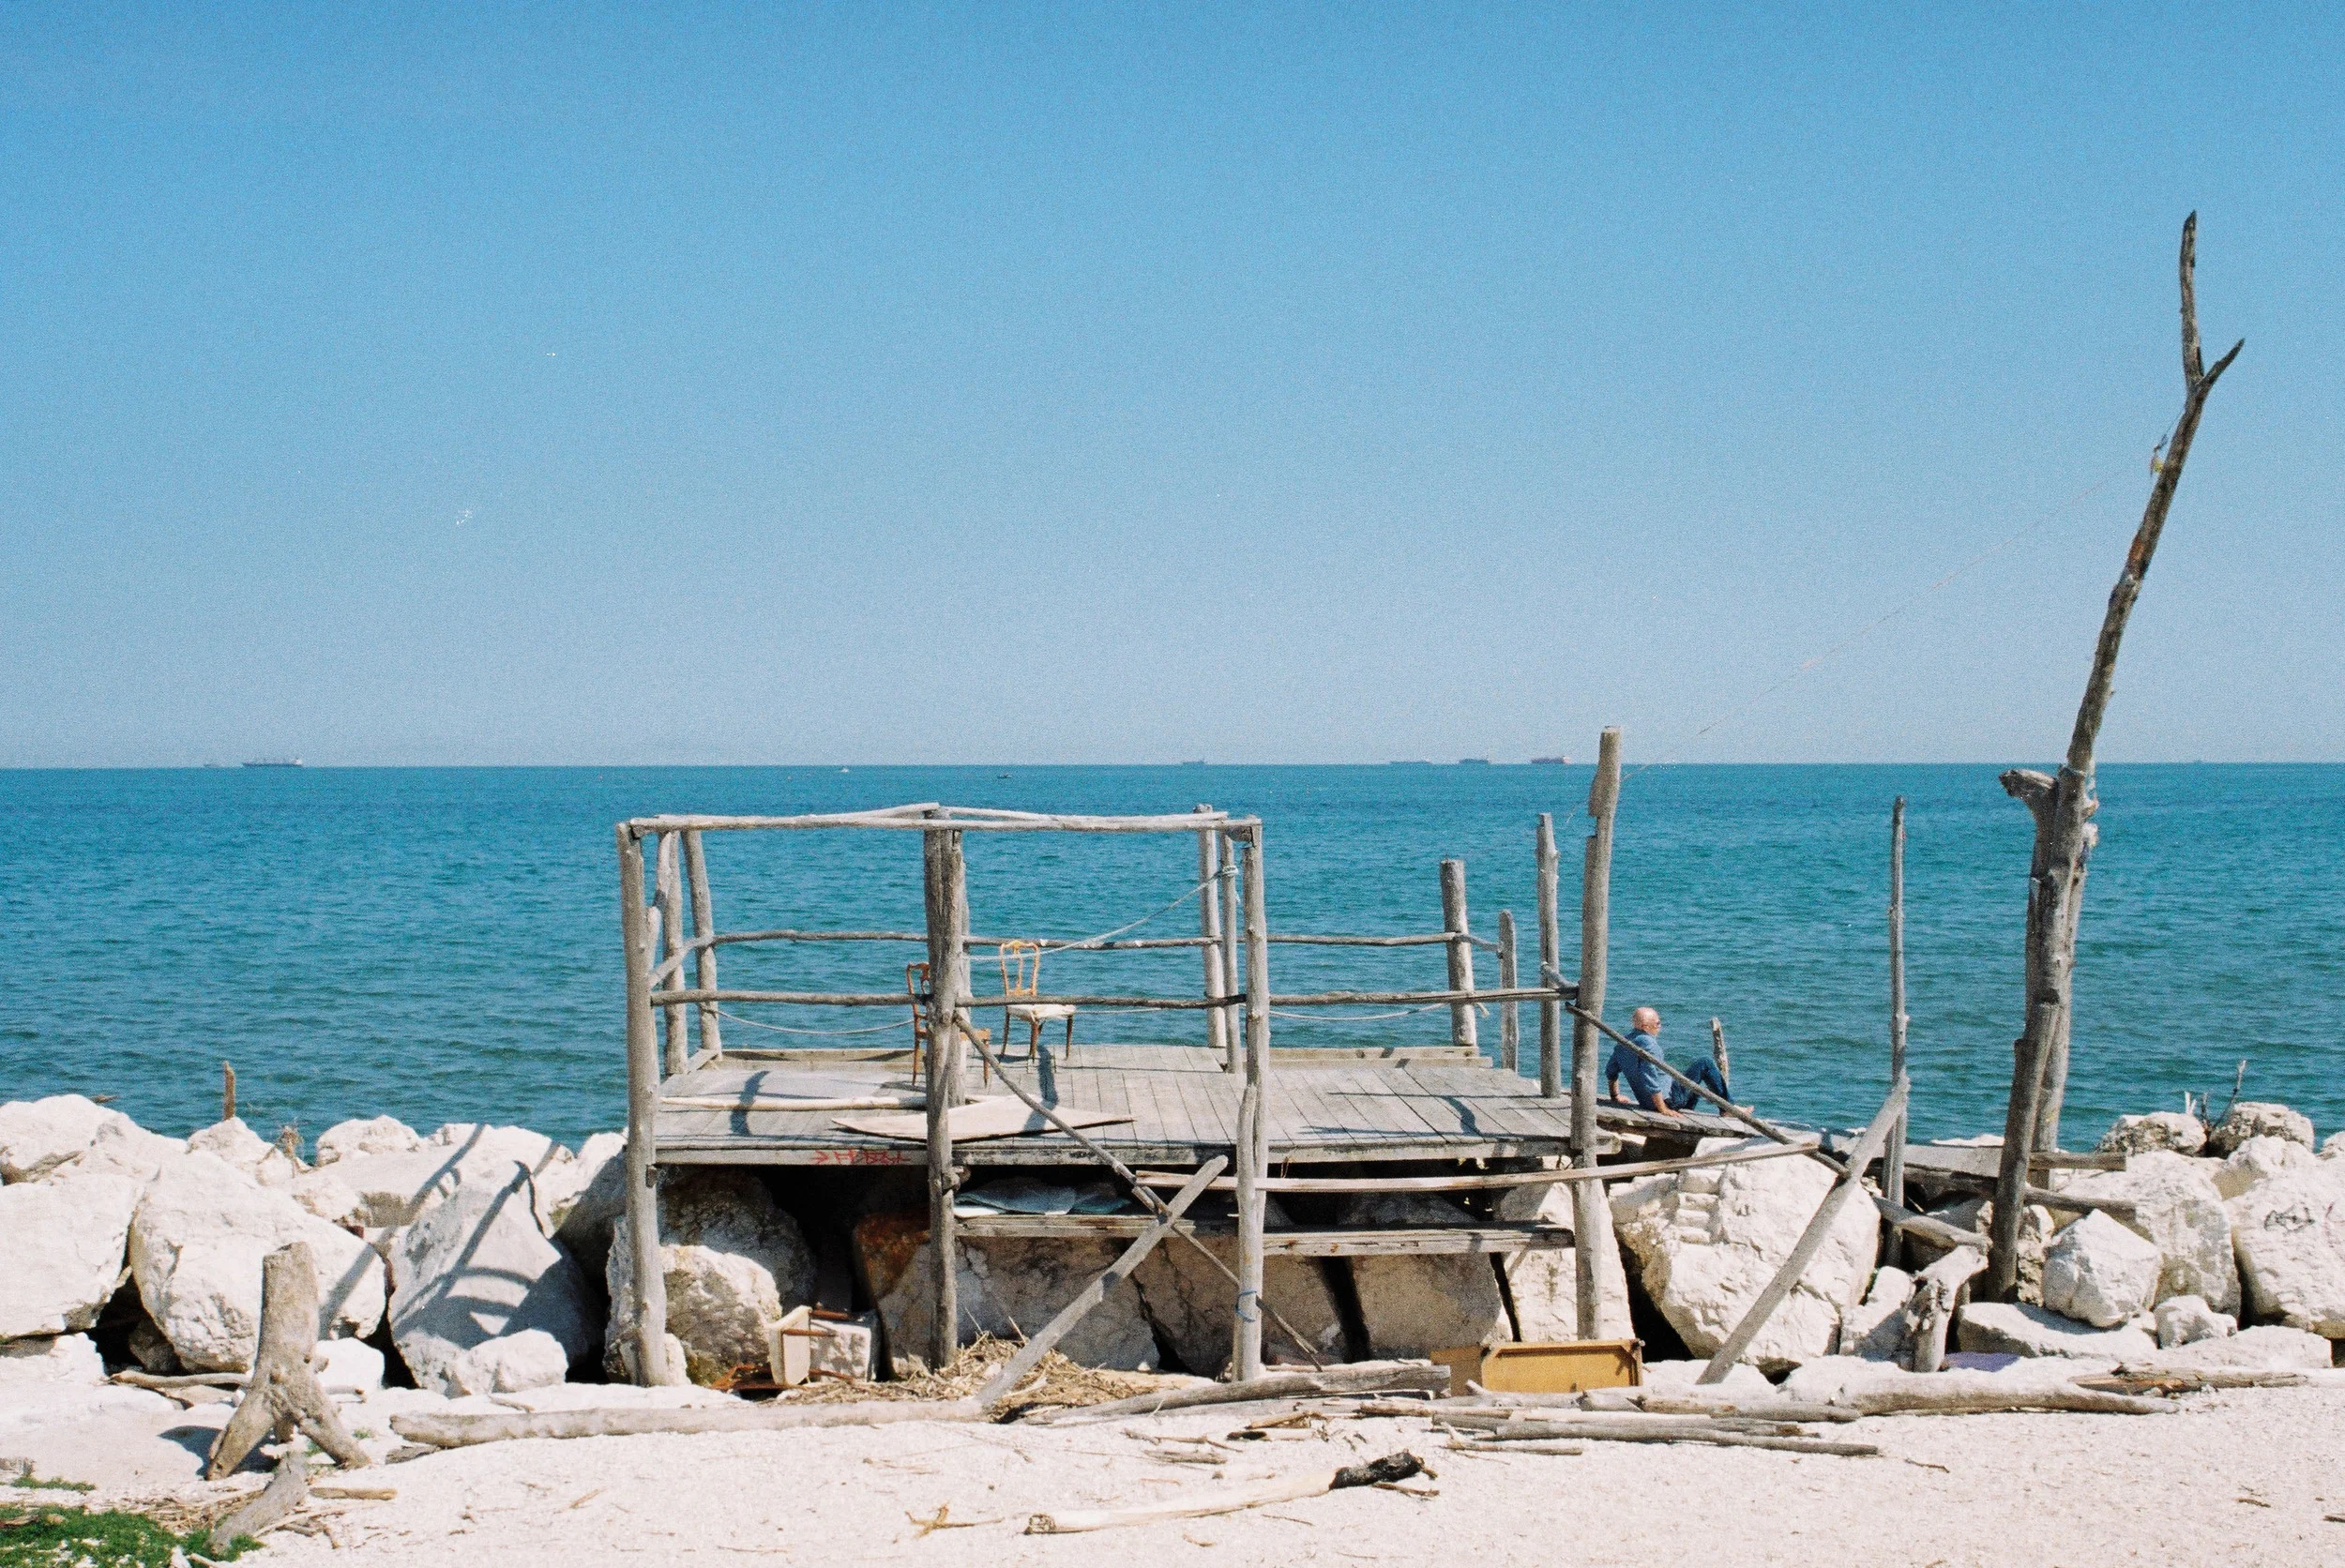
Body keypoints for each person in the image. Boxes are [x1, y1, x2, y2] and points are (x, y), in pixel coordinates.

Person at [1604, 1005, 1675, 1115]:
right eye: (1657, 1023)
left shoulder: (1623, 1042)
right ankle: (1712, 1101)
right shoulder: (1650, 1045)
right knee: (1704, 1063)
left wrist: (1615, 1096)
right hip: (1665, 1101)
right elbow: (1649, 1078)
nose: (1660, 1026)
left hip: (1645, 1102)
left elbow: (1610, 1070)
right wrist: (1663, 1109)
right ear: (1645, 1027)